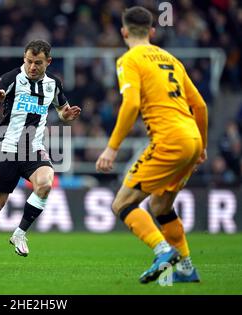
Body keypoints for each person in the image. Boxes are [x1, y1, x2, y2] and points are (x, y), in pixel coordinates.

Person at [96, 6, 207, 284]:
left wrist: (112, 147)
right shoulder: (171, 59)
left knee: (122, 203)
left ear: (123, 32)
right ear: (152, 32)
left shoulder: (129, 60)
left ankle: (163, 251)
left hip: (169, 139)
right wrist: (201, 145)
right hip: (191, 138)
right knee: (160, 205)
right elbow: (200, 105)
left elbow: (131, 103)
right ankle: (185, 268)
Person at [0, 40, 81, 270]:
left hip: (33, 147)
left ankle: (19, 233)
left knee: (46, 183)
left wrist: (68, 115)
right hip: (7, 147)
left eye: (38, 63)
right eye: (28, 61)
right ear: (24, 59)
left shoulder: (53, 84)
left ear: (48, 62)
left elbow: (62, 110)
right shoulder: (11, 78)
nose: (32, 67)